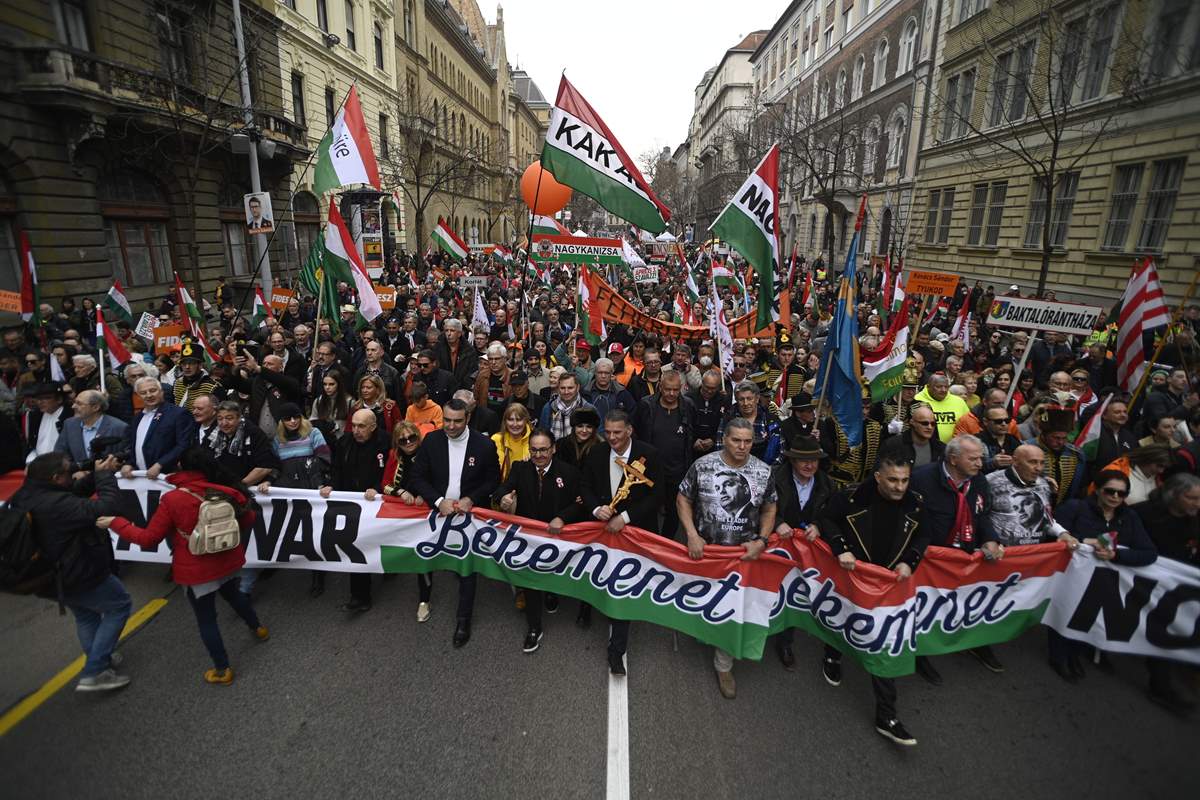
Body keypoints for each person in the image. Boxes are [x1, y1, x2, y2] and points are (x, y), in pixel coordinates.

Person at [101, 447, 268, 685]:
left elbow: (149, 538)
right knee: (234, 595)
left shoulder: (172, 499)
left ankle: (223, 669)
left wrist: (116, 523)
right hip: (228, 560)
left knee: (207, 619)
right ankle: (258, 628)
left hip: (196, 570)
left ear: (181, 466)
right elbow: (248, 519)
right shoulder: (228, 491)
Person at [817, 453, 928, 746]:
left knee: (883, 643)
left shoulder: (916, 502)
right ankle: (832, 654)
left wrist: (911, 560)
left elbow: (923, 534)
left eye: (904, 480)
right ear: (878, 477)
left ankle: (886, 716)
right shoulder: (851, 497)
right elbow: (827, 518)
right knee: (842, 619)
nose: (899, 487)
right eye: (892, 480)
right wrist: (840, 548)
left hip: (889, 584)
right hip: (852, 576)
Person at [10, 452, 129, 692]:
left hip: (49, 577)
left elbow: (70, 493)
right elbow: (106, 507)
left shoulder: (26, 494)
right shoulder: (56, 505)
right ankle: (95, 671)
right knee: (119, 605)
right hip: (79, 574)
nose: (73, 472)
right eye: (68, 472)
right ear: (55, 477)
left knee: (86, 615)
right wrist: (105, 476)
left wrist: (95, 475)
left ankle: (100, 657)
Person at [678, 417, 777, 699]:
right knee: (704, 603)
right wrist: (691, 534)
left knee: (733, 611)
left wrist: (762, 540)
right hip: (706, 555)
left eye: (748, 441)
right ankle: (703, 631)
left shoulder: (763, 471)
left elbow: (770, 507)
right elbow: (683, 498)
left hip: (741, 559)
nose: (743, 446)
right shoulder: (703, 466)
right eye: (737, 440)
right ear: (725, 439)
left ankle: (723, 665)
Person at [408, 398, 502, 648]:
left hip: (467, 518)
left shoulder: (483, 445)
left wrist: (472, 498)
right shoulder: (432, 441)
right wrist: (439, 501)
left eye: (457, 421)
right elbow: (417, 477)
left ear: (467, 419)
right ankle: (424, 599)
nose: (450, 426)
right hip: (436, 513)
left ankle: (463, 619)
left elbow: (493, 480)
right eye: (446, 420)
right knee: (426, 557)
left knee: (465, 568)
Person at [909, 434, 1004, 677]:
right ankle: (919, 653)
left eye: (981, 459)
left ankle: (975, 644)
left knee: (970, 603)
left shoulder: (979, 482)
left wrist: (991, 538)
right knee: (926, 608)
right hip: (932, 562)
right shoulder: (921, 479)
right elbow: (911, 518)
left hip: (966, 558)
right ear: (953, 459)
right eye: (973, 459)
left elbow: (982, 515)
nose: (980, 464)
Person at [1050, 470, 1156, 683]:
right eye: (1110, 491)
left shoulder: (1130, 517)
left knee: (1088, 617)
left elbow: (1148, 553)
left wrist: (1116, 555)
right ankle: (1059, 656)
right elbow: (1051, 535)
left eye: (1122, 494)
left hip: (1104, 580)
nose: (1116, 497)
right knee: (1065, 613)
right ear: (1097, 489)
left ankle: (1075, 655)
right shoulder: (1075, 508)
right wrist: (1083, 541)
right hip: (1070, 576)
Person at [579, 409, 663, 674]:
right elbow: (584, 486)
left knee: (623, 584)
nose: (612, 438)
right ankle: (586, 606)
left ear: (629, 431)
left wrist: (624, 517)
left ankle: (617, 650)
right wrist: (596, 509)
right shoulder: (596, 453)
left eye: (617, 432)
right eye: (608, 432)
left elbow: (657, 495)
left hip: (633, 533)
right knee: (595, 573)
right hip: (601, 532)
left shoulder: (649, 455)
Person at [492, 428, 586, 653]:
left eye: (544, 450)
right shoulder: (520, 468)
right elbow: (501, 489)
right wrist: (503, 497)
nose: (539, 455)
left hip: (557, 539)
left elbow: (581, 503)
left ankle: (552, 593)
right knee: (530, 582)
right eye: (534, 450)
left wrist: (563, 517)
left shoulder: (570, 472)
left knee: (553, 574)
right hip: (529, 540)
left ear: (553, 449)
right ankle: (534, 627)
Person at [1132, 473, 1200, 713]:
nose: (1196, 504)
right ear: (1174, 495)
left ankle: (1161, 686)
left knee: (1167, 631)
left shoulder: (1195, 521)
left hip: (1174, 591)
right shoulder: (1144, 513)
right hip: (1137, 582)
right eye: (1191, 498)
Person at [769, 434, 834, 669]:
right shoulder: (774, 478)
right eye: (804, 460)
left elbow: (831, 515)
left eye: (814, 460)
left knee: (794, 595)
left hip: (807, 555)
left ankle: (785, 641)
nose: (810, 465)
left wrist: (819, 526)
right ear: (792, 460)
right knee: (770, 591)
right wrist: (777, 522)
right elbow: (759, 507)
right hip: (777, 550)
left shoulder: (827, 484)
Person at [320, 409, 390, 612]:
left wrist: (378, 488)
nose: (356, 430)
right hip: (353, 504)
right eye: (354, 425)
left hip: (377, 502)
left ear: (373, 427)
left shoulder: (384, 442)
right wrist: (331, 485)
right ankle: (360, 597)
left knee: (380, 541)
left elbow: (390, 470)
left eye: (362, 426)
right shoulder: (345, 442)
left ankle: (389, 568)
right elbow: (337, 468)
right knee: (357, 546)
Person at [380, 421, 432, 620]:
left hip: (424, 515)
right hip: (401, 514)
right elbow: (384, 484)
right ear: (397, 442)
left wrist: (425, 496)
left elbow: (438, 481)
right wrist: (400, 491)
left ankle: (424, 600)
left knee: (422, 558)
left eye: (412, 438)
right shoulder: (394, 456)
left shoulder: (429, 455)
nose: (409, 442)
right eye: (403, 440)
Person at [633, 370, 694, 540]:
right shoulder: (646, 405)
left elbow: (691, 434)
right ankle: (649, 541)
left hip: (677, 470)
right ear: (660, 386)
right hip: (650, 470)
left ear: (681, 388)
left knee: (673, 512)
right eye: (667, 389)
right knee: (647, 509)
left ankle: (665, 542)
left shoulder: (688, 406)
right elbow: (636, 432)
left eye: (675, 390)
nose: (671, 394)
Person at [121, 376, 195, 479]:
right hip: (141, 477)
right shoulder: (138, 418)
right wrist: (129, 463)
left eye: (152, 390)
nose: (149, 395)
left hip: (168, 476)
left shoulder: (178, 414)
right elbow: (135, 446)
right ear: (138, 396)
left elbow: (183, 444)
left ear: (161, 391)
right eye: (143, 393)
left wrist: (160, 464)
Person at [207, 400, 281, 486]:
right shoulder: (213, 434)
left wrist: (238, 486)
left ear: (239, 418)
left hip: (246, 488)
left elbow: (265, 467)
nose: (224, 423)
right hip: (220, 486)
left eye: (229, 418)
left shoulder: (254, 433)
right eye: (220, 419)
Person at [56, 389, 128, 473]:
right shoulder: (70, 424)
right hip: (77, 482)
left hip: (107, 481)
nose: (73, 406)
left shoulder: (119, 427)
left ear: (95, 407)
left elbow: (124, 456)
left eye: (79, 403)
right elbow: (60, 454)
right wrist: (75, 471)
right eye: (74, 402)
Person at [1034, 402, 1087, 506]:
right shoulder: (1028, 448)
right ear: (1044, 435)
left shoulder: (1076, 455)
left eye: (1064, 438)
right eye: (1056, 437)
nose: (1061, 442)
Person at [718, 381, 781, 463]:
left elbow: (779, 450)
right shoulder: (728, 418)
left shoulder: (770, 419)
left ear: (757, 399)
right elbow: (719, 447)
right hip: (732, 468)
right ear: (736, 400)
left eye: (749, 398)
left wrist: (768, 470)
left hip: (764, 469)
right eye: (741, 399)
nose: (746, 403)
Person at [877, 403, 945, 468]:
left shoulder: (941, 448)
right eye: (924, 423)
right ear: (912, 423)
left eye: (933, 424)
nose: (929, 427)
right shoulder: (893, 445)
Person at [913, 373, 970, 442]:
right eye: (939, 387)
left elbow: (968, 424)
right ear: (928, 387)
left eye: (946, 387)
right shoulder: (917, 400)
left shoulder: (959, 402)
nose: (943, 390)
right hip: (925, 446)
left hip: (954, 448)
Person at [539, 372, 594, 441]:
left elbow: (595, 436)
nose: (566, 392)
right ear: (558, 388)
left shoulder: (588, 408)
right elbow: (542, 436)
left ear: (578, 387)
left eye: (570, 388)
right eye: (562, 388)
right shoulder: (549, 408)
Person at [22, 382, 68, 461]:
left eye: (46, 398)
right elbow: (32, 445)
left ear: (59, 399)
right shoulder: (35, 416)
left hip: (60, 463)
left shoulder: (68, 416)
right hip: (37, 462)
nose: (40, 402)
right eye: (38, 398)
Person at [688, 370, 728, 458]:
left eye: (713, 388)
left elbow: (727, 425)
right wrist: (693, 440)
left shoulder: (724, 400)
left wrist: (713, 439)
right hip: (690, 449)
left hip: (714, 451)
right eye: (707, 387)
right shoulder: (689, 399)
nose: (709, 391)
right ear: (702, 383)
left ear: (718, 387)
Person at [172, 340, 217, 411]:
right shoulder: (177, 383)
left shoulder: (212, 386)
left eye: (191, 363)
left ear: (200, 365)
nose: (187, 367)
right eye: (184, 364)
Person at [433, 318, 478, 390]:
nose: (449, 334)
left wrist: (461, 388)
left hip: (462, 389)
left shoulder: (469, 350)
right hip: (442, 388)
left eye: (452, 330)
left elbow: (471, 373)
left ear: (459, 334)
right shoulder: (438, 348)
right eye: (446, 330)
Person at [474, 342, 513, 415]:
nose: (493, 362)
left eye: (497, 359)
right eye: (490, 359)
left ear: (505, 359)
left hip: (506, 419)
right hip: (486, 418)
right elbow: (476, 398)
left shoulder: (512, 376)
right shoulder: (482, 375)